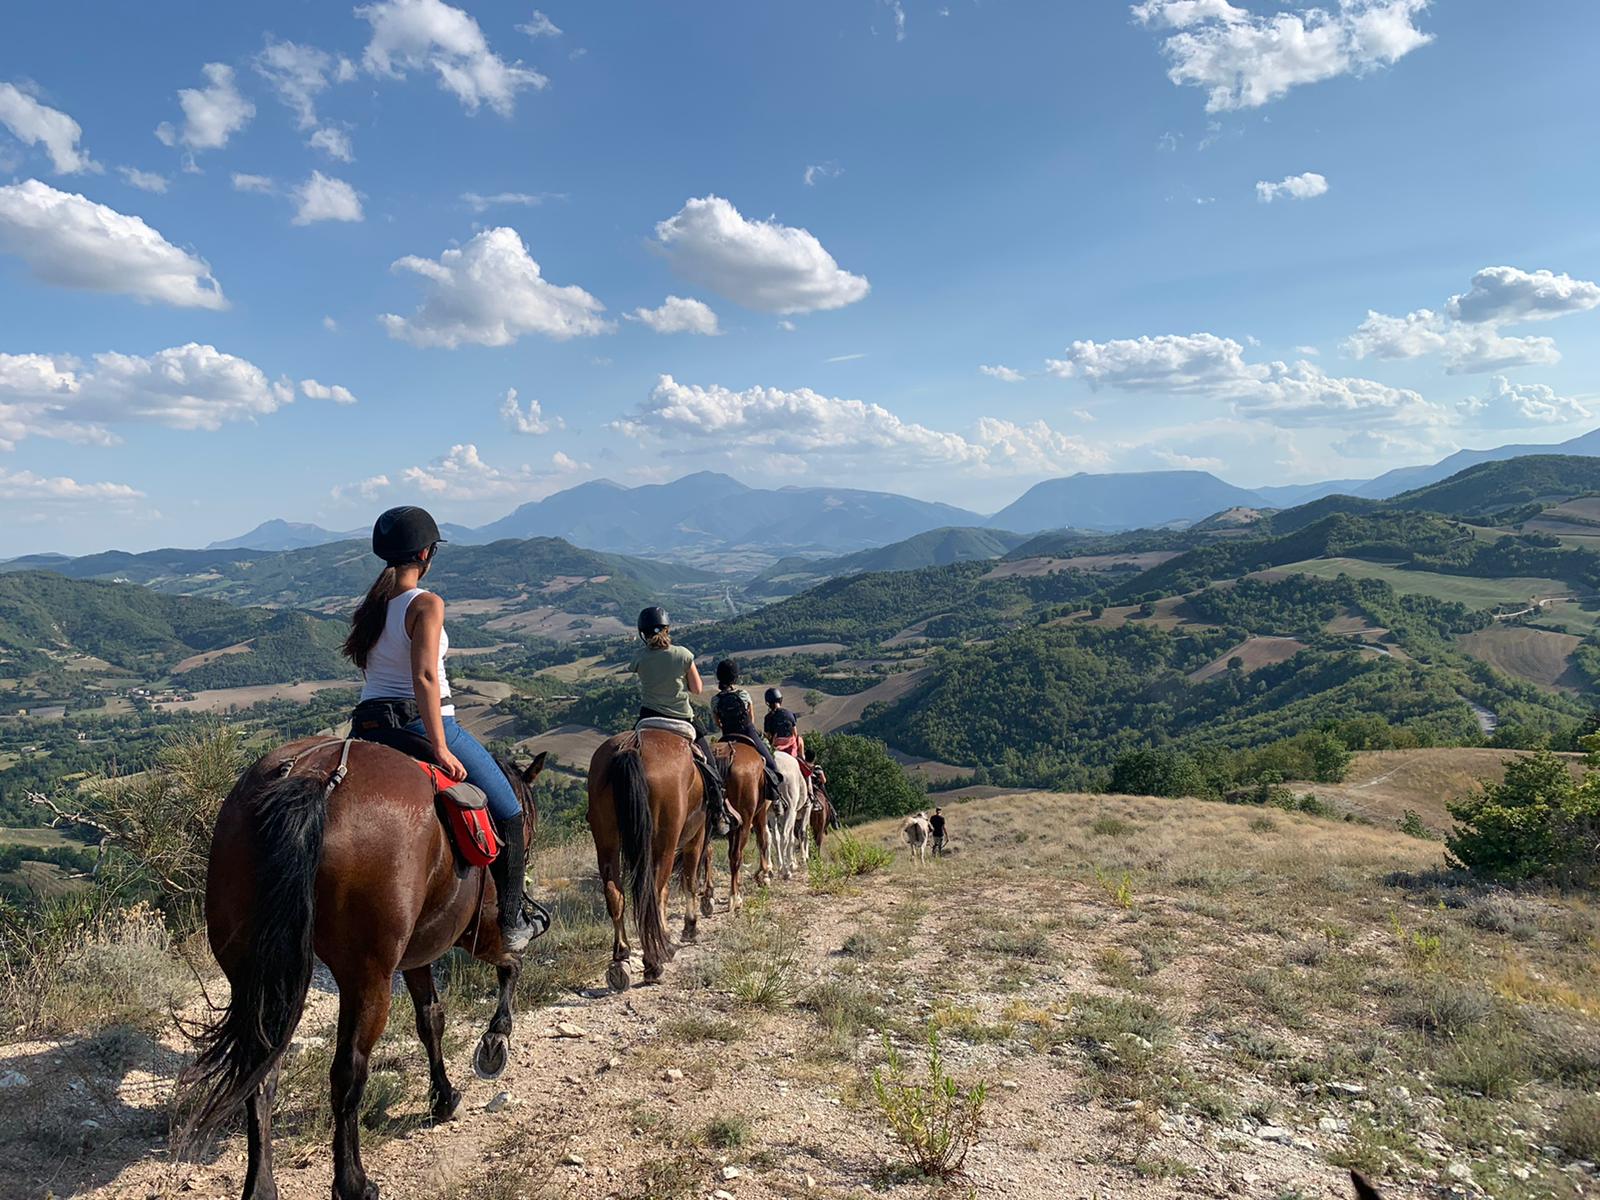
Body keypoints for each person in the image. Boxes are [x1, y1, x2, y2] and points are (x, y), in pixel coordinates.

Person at [343, 505, 538, 951]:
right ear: (427, 553)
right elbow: (426, 677)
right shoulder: (426, 603)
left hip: (369, 726)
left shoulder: (374, 606)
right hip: (419, 722)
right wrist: (439, 745)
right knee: (509, 809)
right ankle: (511, 921)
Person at [630, 606, 738, 837]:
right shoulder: (684, 654)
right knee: (709, 766)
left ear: (643, 633)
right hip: (681, 718)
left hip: (648, 718)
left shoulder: (639, 657)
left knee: (625, 752)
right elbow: (697, 689)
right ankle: (719, 810)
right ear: (668, 629)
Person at [711, 660, 783, 795]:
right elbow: (751, 718)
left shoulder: (715, 700)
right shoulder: (743, 694)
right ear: (735, 677)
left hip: (727, 735)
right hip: (748, 733)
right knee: (773, 766)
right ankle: (775, 797)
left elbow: (717, 723)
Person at [763, 687, 805, 761]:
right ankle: (803, 760)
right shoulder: (789, 714)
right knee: (800, 739)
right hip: (790, 746)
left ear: (768, 703)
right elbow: (795, 733)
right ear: (780, 700)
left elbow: (768, 737)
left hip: (776, 746)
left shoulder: (768, 718)